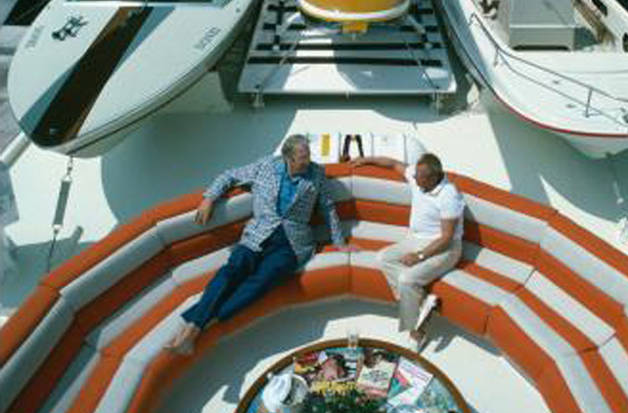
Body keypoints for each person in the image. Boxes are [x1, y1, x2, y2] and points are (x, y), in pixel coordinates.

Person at [166, 134, 345, 354]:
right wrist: (209, 198)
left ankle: (197, 323)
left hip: (292, 243)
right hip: (259, 234)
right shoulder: (266, 166)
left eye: (308, 156)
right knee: (232, 270)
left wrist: (339, 242)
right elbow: (229, 175)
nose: (308, 161)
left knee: (261, 281)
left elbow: (327, 207)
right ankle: (195, 327)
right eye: (303, 158)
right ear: (288, 157)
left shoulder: (316, 174)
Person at [351, 151, 464, 349]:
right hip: (415, 239)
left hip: (445, 249)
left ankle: (417, 332)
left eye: (418, 176)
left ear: (432, 178)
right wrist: (366, 160)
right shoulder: (418, 177)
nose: (412, 177)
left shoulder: (449, 196)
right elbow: (394, 163)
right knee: (382, 257)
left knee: (406, 280)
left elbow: (446, 238)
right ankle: (421, 306)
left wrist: (419, 256)